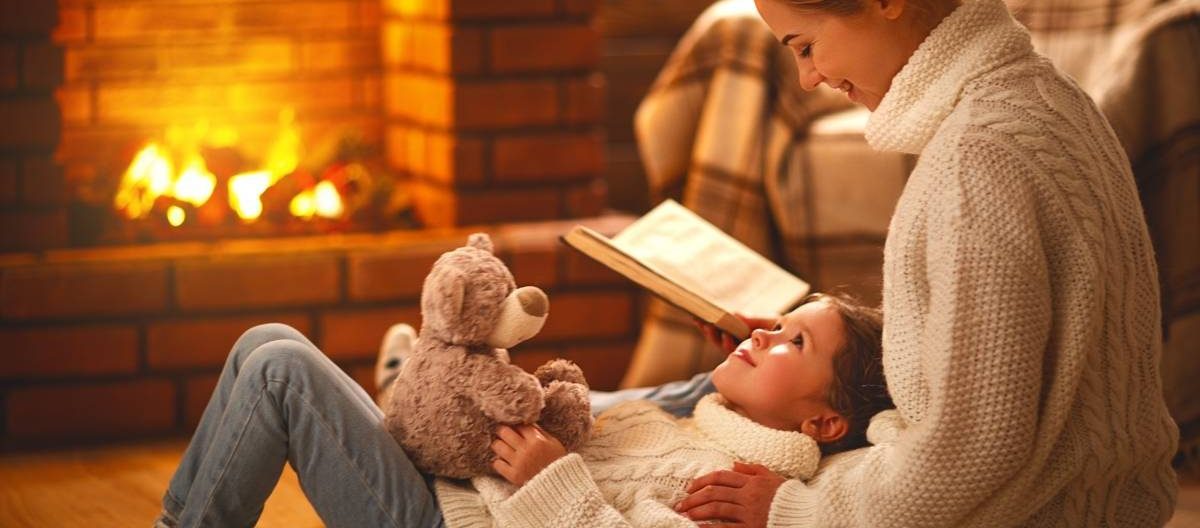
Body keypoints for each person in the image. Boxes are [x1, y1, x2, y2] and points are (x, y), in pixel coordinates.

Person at [622, 0, 1180, 525]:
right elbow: (1005, 350)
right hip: (1095, 499)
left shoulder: (977, 157)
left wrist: (801, 513)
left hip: (1042, 512)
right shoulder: (1048, 97)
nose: (807, 78)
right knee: (669, 409)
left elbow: (973, 445)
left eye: (807, 45)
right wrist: (804, 354)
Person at [153, 293, 889, 527]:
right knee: (268, 338)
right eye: (778, 319)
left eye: (793, 340)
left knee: (281, 369)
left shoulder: (735, 482)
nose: (765, 330)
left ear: (822, 424)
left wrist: (551, 483)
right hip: (458, 489)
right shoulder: (704, 420)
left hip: (449, 521)